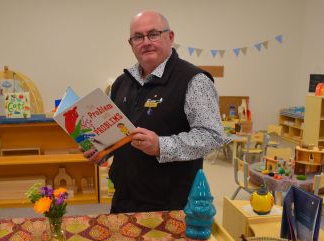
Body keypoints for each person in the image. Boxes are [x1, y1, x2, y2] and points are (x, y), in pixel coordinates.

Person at [88, 10, 223, 213]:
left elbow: (212, 136)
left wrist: (161, 145)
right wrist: (103, 150)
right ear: (131, 43)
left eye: (153, 34)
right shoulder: (121, 83)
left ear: (170, 37)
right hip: (123, 200)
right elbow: (118, 133)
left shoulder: (194, 80)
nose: (146, 42)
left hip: (171, 205)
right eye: (138, 37)